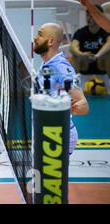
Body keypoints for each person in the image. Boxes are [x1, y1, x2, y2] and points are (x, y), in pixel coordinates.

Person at [34, 23, 89, 155]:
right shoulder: (47, 63)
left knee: (49, 176)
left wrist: (65, 108)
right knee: (39, 175)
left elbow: (83, 104)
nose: (35, 38)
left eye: (40, 35)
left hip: (57, 135)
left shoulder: (61, 68)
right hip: (45, 131)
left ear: (51, 41)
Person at [70, 4, 110, 88]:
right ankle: (74, 85)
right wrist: (81, 54)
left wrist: (97, 56)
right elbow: (72, 47)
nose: (89, 19)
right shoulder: (81, 32)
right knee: (75, 57)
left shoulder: (105, 31)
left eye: (92, 16)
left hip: (101, 64)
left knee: (108, 55)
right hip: (85, 65)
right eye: (88, 16)